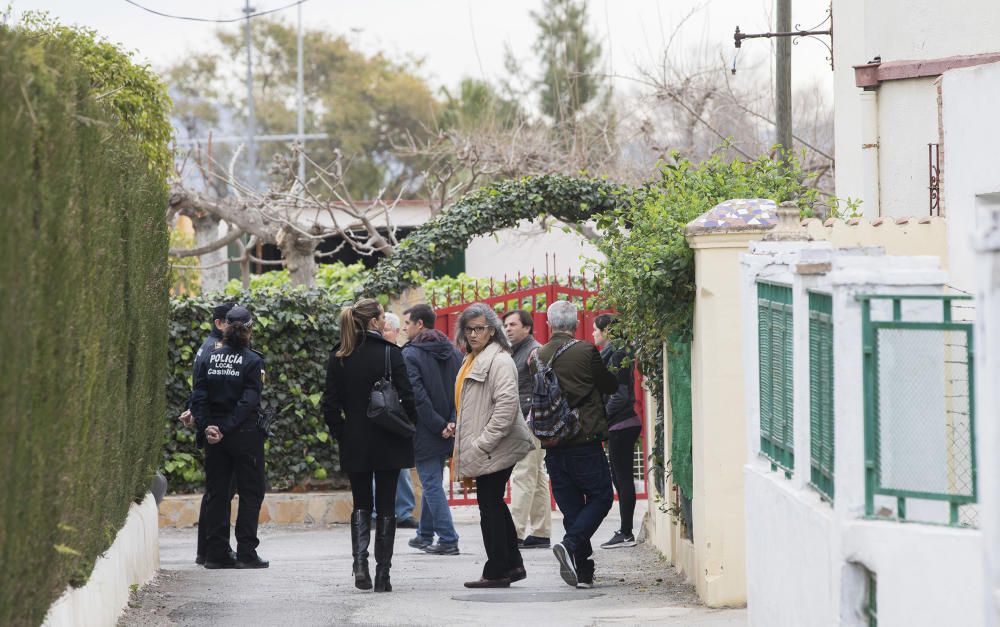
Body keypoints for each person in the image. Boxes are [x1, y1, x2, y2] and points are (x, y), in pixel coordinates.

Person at [323, 298, 418, 592]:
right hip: (388, 438)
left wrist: (344, 432)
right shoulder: (391, 354)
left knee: (362, 502)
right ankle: (383, 574)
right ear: (376, 321)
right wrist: (408, 428)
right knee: (388, 505)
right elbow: (409, 398)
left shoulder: (340, 356)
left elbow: (329, 405)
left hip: (356, 439)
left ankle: (360, 564)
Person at [534, 300, 617, 589]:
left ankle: (584, 572)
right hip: (584, 437)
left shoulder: (538, 355)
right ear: (576, 322)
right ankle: (570, 546)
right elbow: (608, 385)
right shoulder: (585, 350)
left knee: (572, 510)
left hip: (554, 441)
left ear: (550, 324)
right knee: (602, 496)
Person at [452, 303, 535, 588]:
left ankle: (498, 570)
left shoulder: (499, 360)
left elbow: (506, 408)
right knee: (493, 504)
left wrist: (482, 442)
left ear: (491, 330)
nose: (474, 334)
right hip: (487, 445)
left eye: (480, 328)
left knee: (489, 505)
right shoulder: (472, 359)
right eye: (469, 329)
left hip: (496, 444)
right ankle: (512, 565)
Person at [190, 305, 269, 570]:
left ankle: (216, 554)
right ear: (248, 329)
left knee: (217, 493)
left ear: (223, 327)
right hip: (244, 434)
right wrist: (226, 427)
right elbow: (248, 402)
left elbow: (198, 397)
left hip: (215, 438)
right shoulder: (253, 361)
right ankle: (246, 552)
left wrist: (208, 428)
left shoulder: (208, 358)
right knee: (250, 492)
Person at [177, 301, 237, 566]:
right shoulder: (217, 349)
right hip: (217, 428)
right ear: (219, 324)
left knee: (215, 492)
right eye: (233, 322)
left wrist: (193, 410)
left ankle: (207, 549)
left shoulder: (207, 347)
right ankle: (215, 549)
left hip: (208, 423)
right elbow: (208, 389)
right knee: (220, 493)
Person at [401, 304, 463, 555]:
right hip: (447, 428)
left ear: (420, 325)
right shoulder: (453, 352)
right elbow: (461, 390)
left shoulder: (410, 354)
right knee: (433, 481)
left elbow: (417, 397)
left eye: (407, 323)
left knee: (431, 484)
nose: (404, 328)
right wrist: (450, 421)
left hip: (427, 430)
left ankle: (448, 539)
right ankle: (425, 534)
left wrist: (439, 425)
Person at [502, 309, 551, 550]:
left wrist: (531, 417)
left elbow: (542, 387)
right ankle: (541, 532)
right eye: (506, 325)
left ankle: (515, 532)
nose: (508, 328)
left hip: (530, 421)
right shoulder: (517, 351)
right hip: (527, 420)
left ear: (527, 328)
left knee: (522, 474)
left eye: (513, 324)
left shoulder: (533, 352)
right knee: (536, 475)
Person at [593, 314, 641, 549]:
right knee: (619, 479)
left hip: (622, 424)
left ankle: (626, 532)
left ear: (607, 331)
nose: (594, 334)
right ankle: (625, 531)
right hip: (619, 424)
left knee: (623, 479)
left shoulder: (618, 354)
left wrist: (603, 416)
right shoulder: (613, 353)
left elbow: (619, 395)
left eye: (596, 330)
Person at [374, 312, 420, 529]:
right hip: (378, 415)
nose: (383, 333)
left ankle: (402, 511)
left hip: (397, 416)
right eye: (381, 330)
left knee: (400, 468)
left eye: (386, 330)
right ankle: (378, 513)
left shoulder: (400, 355)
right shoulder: (374, 354)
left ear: (395, 331)